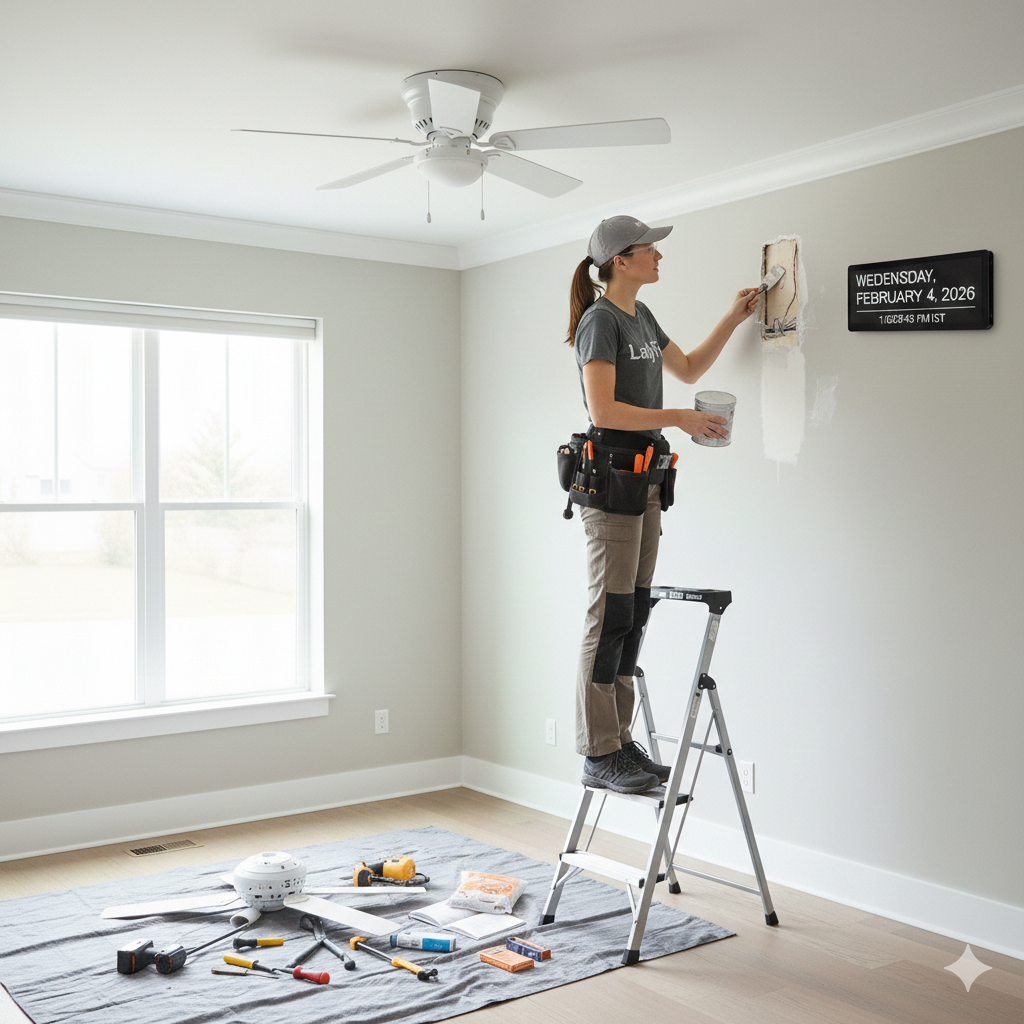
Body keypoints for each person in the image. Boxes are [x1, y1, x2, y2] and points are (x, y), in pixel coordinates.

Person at [567, 215, 757, 794]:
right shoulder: (600, 322)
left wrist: (733, 316)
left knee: (634, 610)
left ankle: (620, 743)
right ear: (620, 260)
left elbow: (690, 369)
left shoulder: (641, 316)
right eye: (651, 249)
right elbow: (603, 413)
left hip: (646, 479)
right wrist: (680, 418)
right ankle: (598, 751)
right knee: (610, 613)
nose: (659, 257)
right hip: (614, 480)